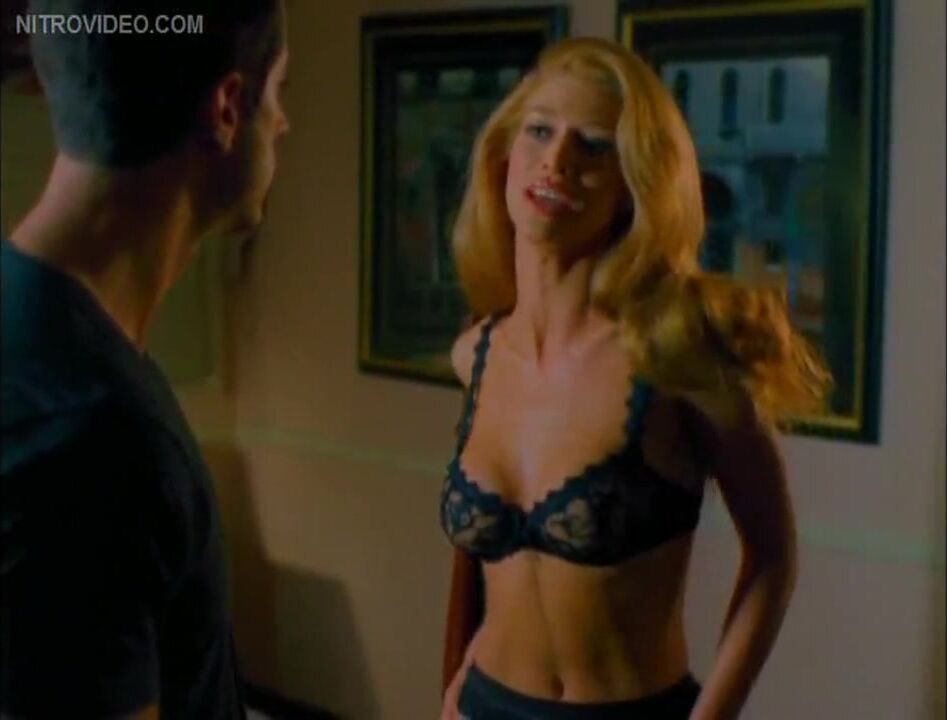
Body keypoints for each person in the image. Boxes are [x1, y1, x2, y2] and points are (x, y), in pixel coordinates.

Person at [439, 37, 830, 720]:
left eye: (593, 145)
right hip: (481, 703)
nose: (557, 160)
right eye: (540, 131)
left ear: (631, 187)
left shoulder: (678, 358)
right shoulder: (474, 354)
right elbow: (494, 577)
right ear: (502, 156)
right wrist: (461, 681)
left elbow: (772, 556)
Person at [1, 0, 289, 716]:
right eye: (279, 93)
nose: (283, 123)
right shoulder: (92, 439)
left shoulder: (46, 334)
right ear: (227, 108)